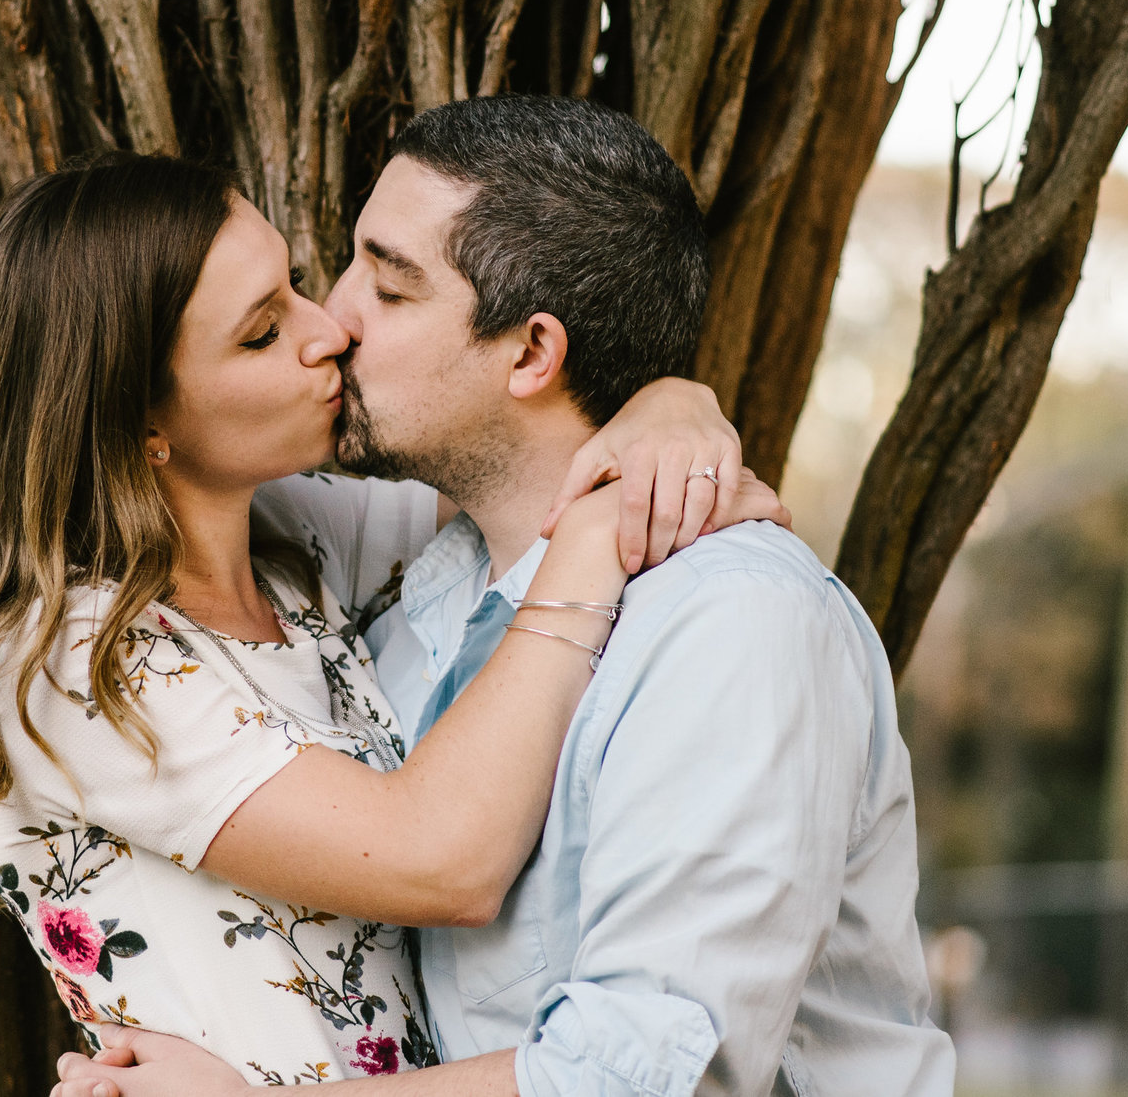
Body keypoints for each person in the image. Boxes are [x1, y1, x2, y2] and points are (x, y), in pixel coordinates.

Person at [50, 96, 953, 1097]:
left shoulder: (731, 626)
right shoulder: (404, 603)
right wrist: (666, 407)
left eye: (388, 291)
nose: (333, 321)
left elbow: (639, 1080)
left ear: (530, 353)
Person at [0, 150, 784, 1082]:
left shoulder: (289, 548)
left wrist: (672, 406)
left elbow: (522, 464)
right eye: (262, 333)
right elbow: (444, 859)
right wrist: (593, 543)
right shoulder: (65, 660)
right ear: (138, 422)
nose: (329, 332)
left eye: (293, 288)